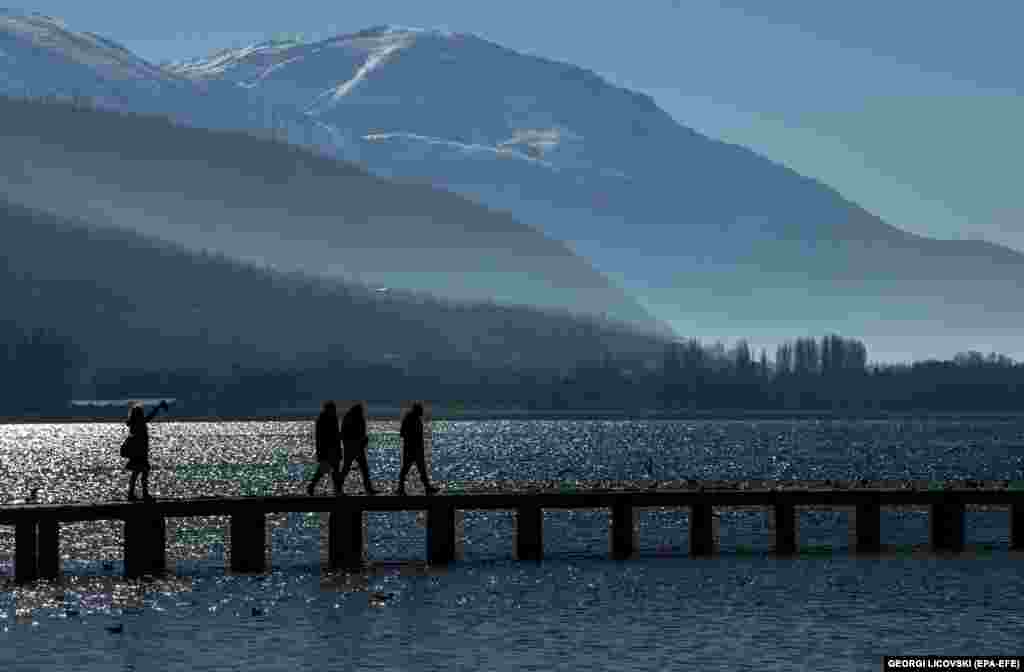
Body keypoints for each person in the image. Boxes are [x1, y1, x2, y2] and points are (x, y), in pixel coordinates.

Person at [123, 400, 169, 501]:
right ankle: (143, 494)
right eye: (141, 412)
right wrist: (159, 406)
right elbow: (150, 416)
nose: (142, 414)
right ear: (139, 414)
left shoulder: (133, 423)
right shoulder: (139, 423)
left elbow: (149, 416)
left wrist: (158, 407)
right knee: (143, 473)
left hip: (137, 453)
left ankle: (132, 494)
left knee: (137, 474)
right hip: (140, 453)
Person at [395, 402, 439, 495]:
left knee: (421, 469)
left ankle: (427, 488)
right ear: (417, 410)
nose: (422, 412)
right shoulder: (409, 419)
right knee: (406, 469)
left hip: (417, 449)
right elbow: (402, 433)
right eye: (421, 410)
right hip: (410, 449)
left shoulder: (416, 419)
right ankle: (400, 488)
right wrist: (411, 440)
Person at [337, 403, 378, 495]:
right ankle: (339, 488)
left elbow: (344, 434)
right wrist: (362, 440)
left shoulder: (350, 418)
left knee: (353, 468)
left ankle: (339, 487)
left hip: (355, 447)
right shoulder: (353, 418)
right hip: (354, 448)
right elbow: (348, 434)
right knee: (354, 468)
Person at [307, 401, 343, 496]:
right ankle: (312, 486)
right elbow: (323, 437)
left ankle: (337, 490)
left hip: (332, 449)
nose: (334, 411)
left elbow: (334, 435)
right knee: (325, 470)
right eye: (333, 409)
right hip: (327, 450)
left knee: (332, 471)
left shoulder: (329, 418)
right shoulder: (324, 419)